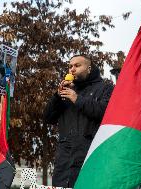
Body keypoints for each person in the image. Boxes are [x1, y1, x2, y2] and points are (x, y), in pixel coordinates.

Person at [43, 55, 113, 188]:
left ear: (89, 68)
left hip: (90, 157)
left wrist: (77, 99)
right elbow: (48, 118)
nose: (72, 69)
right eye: (70, 66)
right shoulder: (66, 92)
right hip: (64, 161)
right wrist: (57, 97)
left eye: (77, 65)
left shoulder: (105, 88)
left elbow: (105, 112)